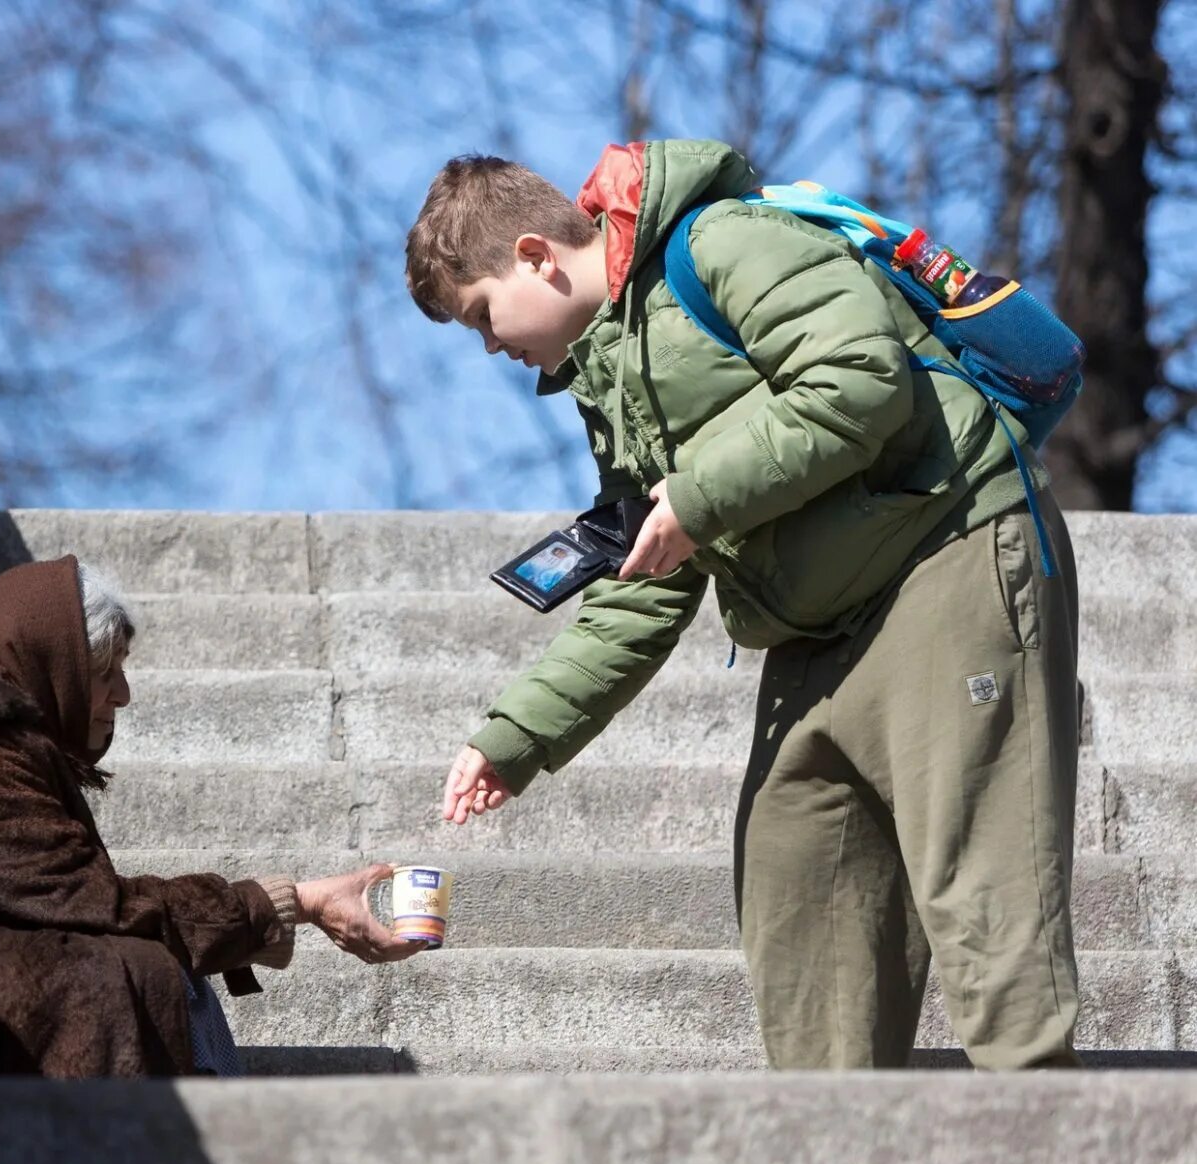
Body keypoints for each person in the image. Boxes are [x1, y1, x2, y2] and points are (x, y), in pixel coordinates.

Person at [404, 139, 1081, 1070]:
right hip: (813, 631)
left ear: (531, 255)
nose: (490, 348)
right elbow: (647, 583)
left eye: (481, 317)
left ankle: (1054, 1140)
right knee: (799, 905)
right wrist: (511, 737)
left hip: (947, 552)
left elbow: (857, 377)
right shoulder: (608, 374)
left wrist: (693, 496)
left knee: (986, 903)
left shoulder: (722, 240)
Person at [0, 556, 419, 1082]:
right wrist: (293, 901)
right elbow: (96, 905)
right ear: (54, 666)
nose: (123, 696)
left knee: (147, 972)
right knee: (128, 976)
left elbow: (79, 903)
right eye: (107, 672)